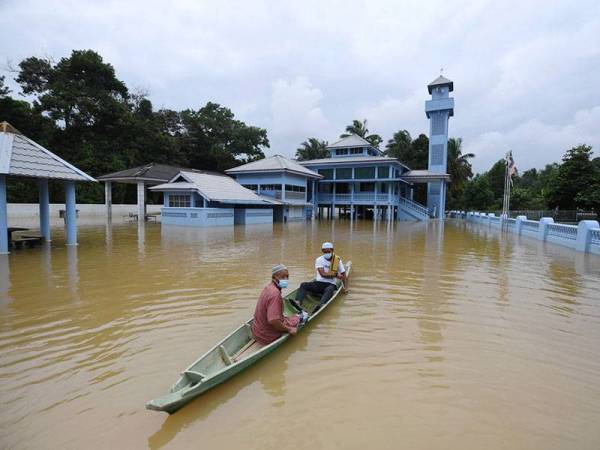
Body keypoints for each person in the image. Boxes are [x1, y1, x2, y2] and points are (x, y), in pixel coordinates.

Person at [252, 264, 307, 345]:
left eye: (287, 276)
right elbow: (273, 320)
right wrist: (289, 329)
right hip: (267, 337)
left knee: (288, 318)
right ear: (274, 277)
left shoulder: (268, 287)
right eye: (282, 277)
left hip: (256, 331)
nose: (286, 279)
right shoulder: (275, 294)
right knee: (301, 317)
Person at [296, 242, 348, 308]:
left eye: (328, 251)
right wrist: (336, 275)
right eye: (325, 252)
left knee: (329, 289)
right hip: (319, 283)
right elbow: (322, 274)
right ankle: (298, 302)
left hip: (330, 284)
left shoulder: (337, 259)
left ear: (332, 250)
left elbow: (343, 274)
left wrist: (346, 287)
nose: (327, 253)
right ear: (322, 251)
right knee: (303, 285)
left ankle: (320, 305)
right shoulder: (319, 260)